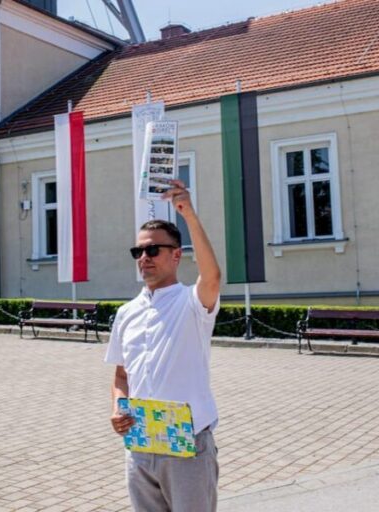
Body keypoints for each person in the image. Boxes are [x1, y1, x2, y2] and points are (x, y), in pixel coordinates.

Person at [105, 179, 222, 512]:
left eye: (153, 249)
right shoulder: (126, 313)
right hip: (141, 443)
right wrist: (118, 406)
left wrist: (189, 215)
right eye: (138, 251)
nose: (144, 257)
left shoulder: (191, 303)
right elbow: (121, 375)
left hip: (187, 444)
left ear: (175, 255)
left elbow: (212, 276)